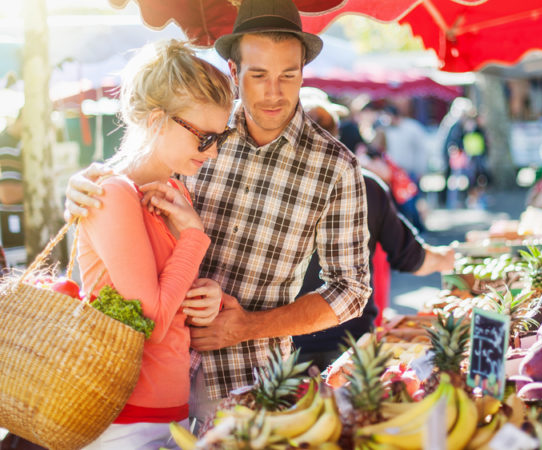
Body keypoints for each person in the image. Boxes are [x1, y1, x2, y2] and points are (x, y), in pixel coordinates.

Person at [65, 0, 371, 424]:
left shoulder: (335, 166)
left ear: (303, 73)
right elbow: (130, 182)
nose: (274, 92)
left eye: (289, 75)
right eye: (259, 75)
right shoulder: (202, 131)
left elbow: (351, 290)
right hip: (145, 377)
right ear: (233, 71)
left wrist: (248, 325)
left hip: (247, 382)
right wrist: (84, 188)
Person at [77, 40, 230, 449]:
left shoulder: (173, 194)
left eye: (221, 136)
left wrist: (207, 297)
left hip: (168, 413)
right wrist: (195, 238)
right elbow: (153, 322)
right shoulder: (113, 195)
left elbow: (172, 301)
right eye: (204, 137)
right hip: (125, 422)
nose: (213, 151)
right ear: (159, 120)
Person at [296, 92, 455, 368]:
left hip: (285, 345)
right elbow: (411, 258)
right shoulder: (366, 185)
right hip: (351, 345)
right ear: (336, 134)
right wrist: (449, 259)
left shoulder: (268, 190)